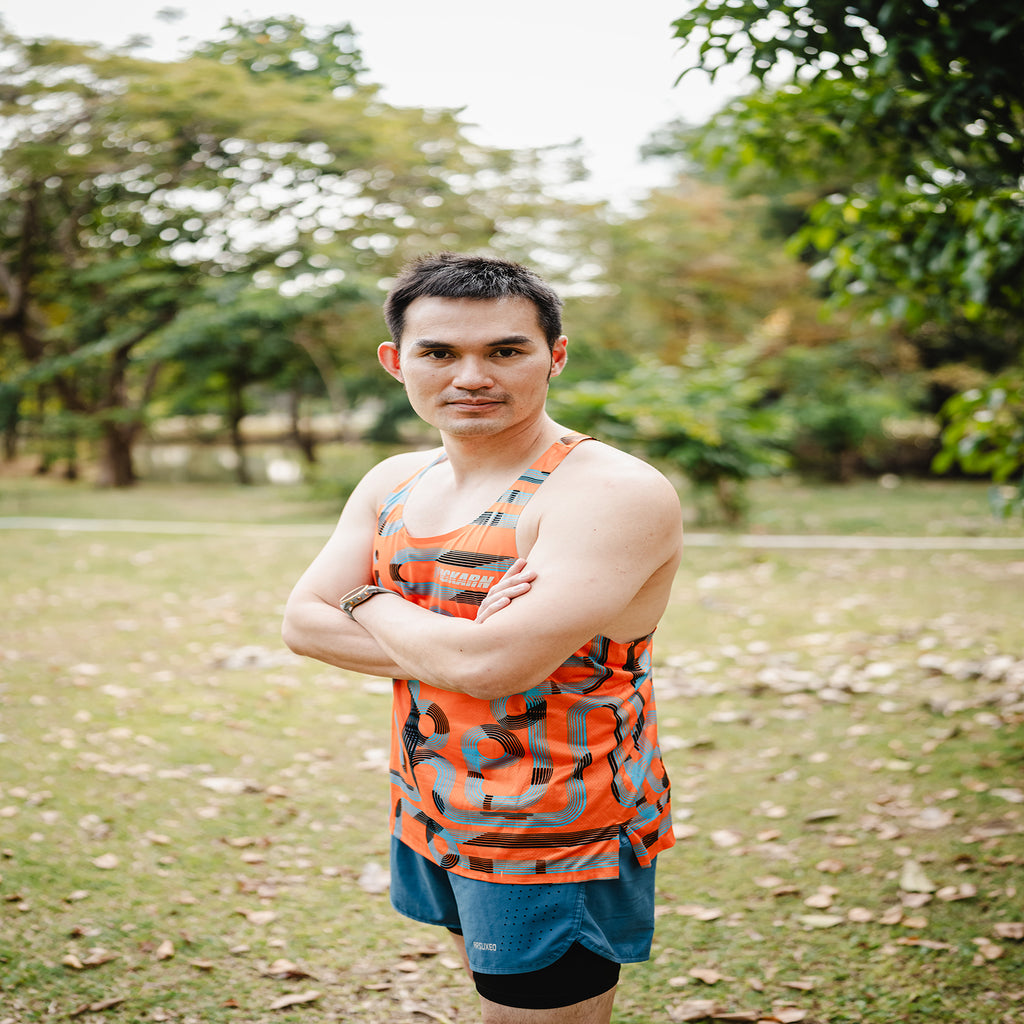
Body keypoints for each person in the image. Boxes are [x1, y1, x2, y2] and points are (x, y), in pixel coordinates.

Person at [282, 252, 682, 1024]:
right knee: (487, 994)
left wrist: (365, 595)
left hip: (555, 830)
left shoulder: (607, 490)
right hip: (429, 798)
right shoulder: (393, 480)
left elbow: (493, 665)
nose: (471, 376)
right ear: (397, 362)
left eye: (504, 350)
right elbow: (303, 622)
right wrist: (461, 649)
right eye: (440, 352)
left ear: (554, 356)